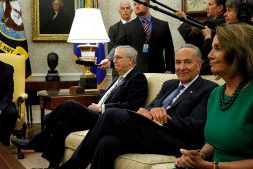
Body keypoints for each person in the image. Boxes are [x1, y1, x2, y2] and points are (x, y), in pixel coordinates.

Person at [58, 44, 218, 169]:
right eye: (178, 62)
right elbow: (150, 107)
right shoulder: (170, 84)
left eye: (187, 62)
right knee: (107, 142)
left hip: (176, 140)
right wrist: (149, 111)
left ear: (199, 64)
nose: (181, 67)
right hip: (149, 131)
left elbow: (195, 126)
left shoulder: (208, 89)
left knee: (112, 114)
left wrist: (162, 118)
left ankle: (73, 165)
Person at [11, 45, 148, 168]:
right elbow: (107, 96)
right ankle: (52, 165)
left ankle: (37, 138)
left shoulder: (137, 78)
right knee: (61, 125)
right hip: (96, 112)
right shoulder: (119, 78)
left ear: (130, 60)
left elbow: (131, 105)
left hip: (107, 118)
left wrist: (102, 108)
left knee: (70, 105)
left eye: (118, 57)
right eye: (115, 57)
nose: (114, 61)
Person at [174, 23, 253, 169]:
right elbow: (213, 143)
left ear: (239, 53)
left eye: (218, 48)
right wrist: (199, 155)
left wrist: (211, 166)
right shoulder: (216, 93)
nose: (209, 55)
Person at [100, 0, 175, 74]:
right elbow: (119, 46)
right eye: (135, 4)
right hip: (136, 73)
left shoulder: (163, 25)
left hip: (158, 72)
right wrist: (109, 59)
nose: (136, 6)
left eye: (139, 3)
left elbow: (169, 50)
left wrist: (169, 69)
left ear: (148, 5)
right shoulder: (127, 27)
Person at [176, 0, 227, 75]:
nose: (206, 8)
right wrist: (187, 18)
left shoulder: (212, 23)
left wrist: (183, 21)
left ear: (220, 8)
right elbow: (200, 25)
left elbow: (191, 38)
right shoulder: (220, 21)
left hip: (208, 68)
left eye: (210, 5)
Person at [107, 1, 133, 80]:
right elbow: (111, 50)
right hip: (118, 71)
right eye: (123, 8)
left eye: (127, 8)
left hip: (135, 69)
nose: (125, 10)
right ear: (119, 12)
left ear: (131, 11)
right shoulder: (113, 29)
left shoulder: (138, 27)